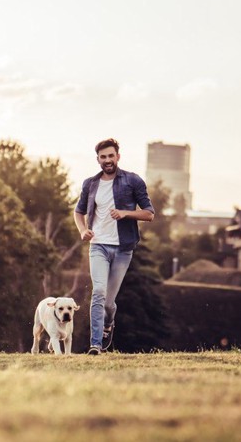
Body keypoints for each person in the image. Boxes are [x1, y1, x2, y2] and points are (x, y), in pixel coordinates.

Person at [73, 138, 155, 355]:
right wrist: (83, 230)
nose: (107, 160)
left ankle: (109, 322)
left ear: (118, 156)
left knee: (109, 303)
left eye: (111, 156)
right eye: (103, 157)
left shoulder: (132, 181)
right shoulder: (90, 184)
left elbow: (149, 213)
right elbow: (78, 211)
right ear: (98, 159)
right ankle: (95, 345)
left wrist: (126, 213)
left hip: (122, 249)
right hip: (98, 246)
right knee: (98, 292)